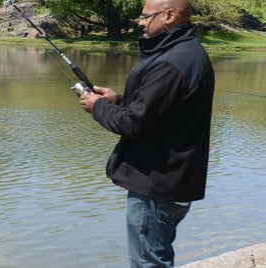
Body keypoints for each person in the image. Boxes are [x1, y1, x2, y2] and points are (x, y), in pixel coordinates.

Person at [78, 0, 215, 267]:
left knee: (149, 261)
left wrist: (98, 107)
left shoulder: (173, 62)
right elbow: (161, 109)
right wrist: (117, 100)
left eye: (145, 16)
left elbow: (135, 124)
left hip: (157, 182)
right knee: (156, 253)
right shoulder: (186, 53)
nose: (140, 22)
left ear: (170, 15)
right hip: (172, 179)